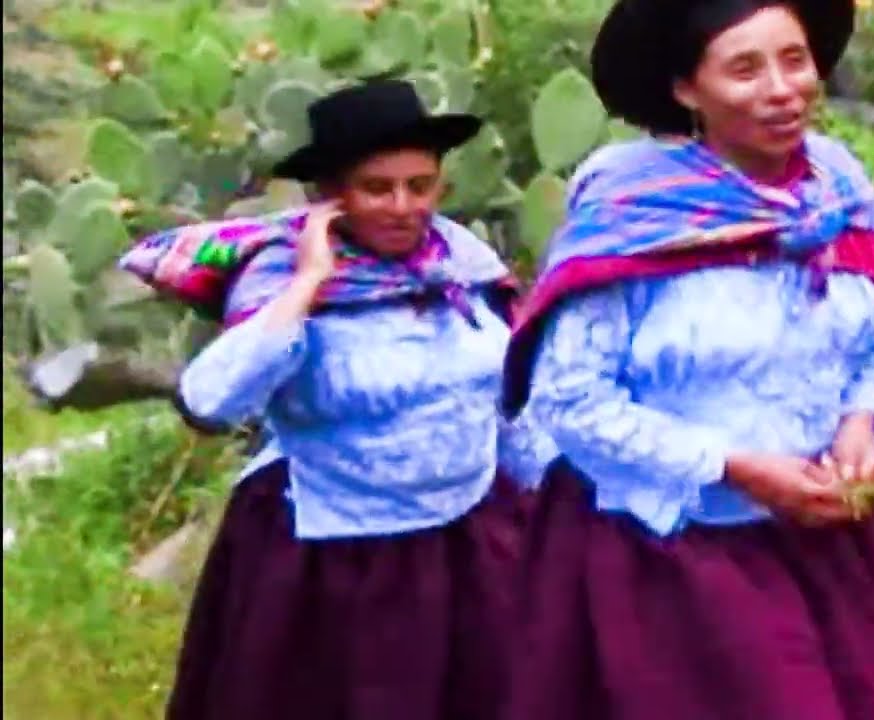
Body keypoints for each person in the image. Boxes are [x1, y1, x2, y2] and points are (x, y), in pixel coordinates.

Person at [498, 1, 874, 719]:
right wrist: (736, 466)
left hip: (823, 544)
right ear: (687, 89)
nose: (782, 89)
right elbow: (569, 400)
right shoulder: (635, 212)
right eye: (745, 69)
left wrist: (861, 421)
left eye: (794, 60)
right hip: (675, 561)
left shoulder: (834, 190)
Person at [118, 79, 558, 720]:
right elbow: (209, 402)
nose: (404, 207)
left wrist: (558, 505)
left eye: (420, 185)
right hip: (334, 557)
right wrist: (308, 282)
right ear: (331, 195)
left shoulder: (461, 265)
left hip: (468, 542)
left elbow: (504, 401)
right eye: (377, 188)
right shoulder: (278, 276)